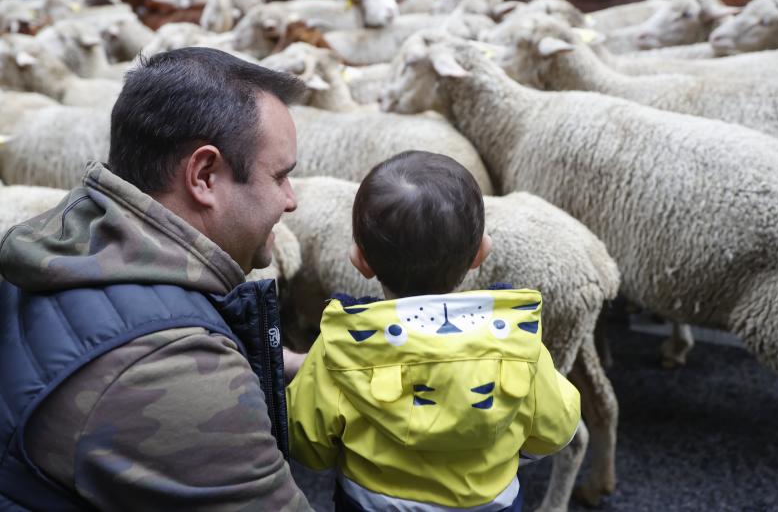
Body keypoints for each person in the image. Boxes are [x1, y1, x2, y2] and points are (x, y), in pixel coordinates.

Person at [0, 47, 313, 511]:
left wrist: (278, 360)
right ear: (204, 175)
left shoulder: (62, 248)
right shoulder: (175, 369)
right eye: (280, 177)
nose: (291, 201)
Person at [287, 151, 582, 511]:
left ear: (359, 259)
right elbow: (557, 426)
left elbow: (308, 445)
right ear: (480, 253)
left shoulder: (340, 348)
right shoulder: (517, 343)